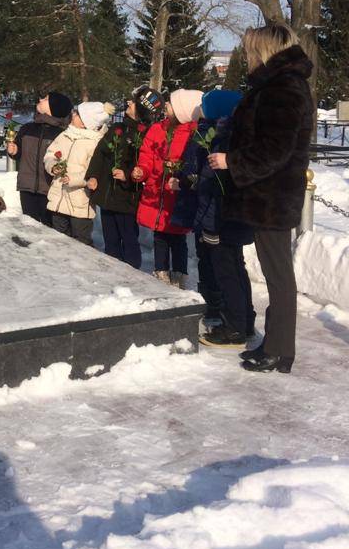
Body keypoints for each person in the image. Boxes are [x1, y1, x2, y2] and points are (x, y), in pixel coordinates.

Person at [208, 24, 314, 373]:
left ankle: (280, 349)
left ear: (265, 50)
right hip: (265, 193)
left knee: (278, 276)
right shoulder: (276, 84)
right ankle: (275, 344)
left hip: (273, 197)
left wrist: (232, 161)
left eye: (252, 49)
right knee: (275, 273)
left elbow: (276, 148)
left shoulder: (284, 87)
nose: (248, 56)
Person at [174, 89, 256, 345]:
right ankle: (245, 321)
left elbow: (212, 183)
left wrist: (193, 186)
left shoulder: (222, 139)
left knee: (226, 272)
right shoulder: (239, 135)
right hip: (235, 215)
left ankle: (234, 328)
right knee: (236, 269)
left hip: (219, 218)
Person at [85, 86, 164, 269]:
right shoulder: (117, 128)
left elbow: (146, 165)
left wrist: (127, 176)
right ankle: (113, 273)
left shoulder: (147, 135)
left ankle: (132, 275)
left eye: (134, 101)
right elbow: (100, 153)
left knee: (129, 239)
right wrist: (93, 175)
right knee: (110, 239)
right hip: (108, 194)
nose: (128, 102)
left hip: (128, 198)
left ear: (142, 109)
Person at [132, 88, 204, 287]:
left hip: (177, 194)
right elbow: (147, 155)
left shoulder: (192, 133)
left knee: (178, 238)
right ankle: (160, 270)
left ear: (181, 111)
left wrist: (180, 173)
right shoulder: (157, 129)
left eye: (170, 104)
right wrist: (142, 170)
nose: (166, 106)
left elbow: (192, 163)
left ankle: (179, 274)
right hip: (157, 192)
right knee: (159, 235)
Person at [44, 101, 115, 244]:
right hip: (58, 198)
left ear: (85, 123)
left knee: (81, 243)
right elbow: (50, 154)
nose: (73, 114)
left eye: (77, 114)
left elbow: (95, 170)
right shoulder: (65, 135)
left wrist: (73, 179)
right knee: (59, 240)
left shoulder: (95, 142)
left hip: (80, 202)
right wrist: (53, 166)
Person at [6, 92, 73, 226]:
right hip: (27, 188)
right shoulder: (27, 128)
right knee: (29, 228)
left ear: (54, 108)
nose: (40, 99)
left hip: (49, 190)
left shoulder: (62, 134)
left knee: (50, 229)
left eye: (46, 99)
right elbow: (18, 153)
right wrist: (14, 151)